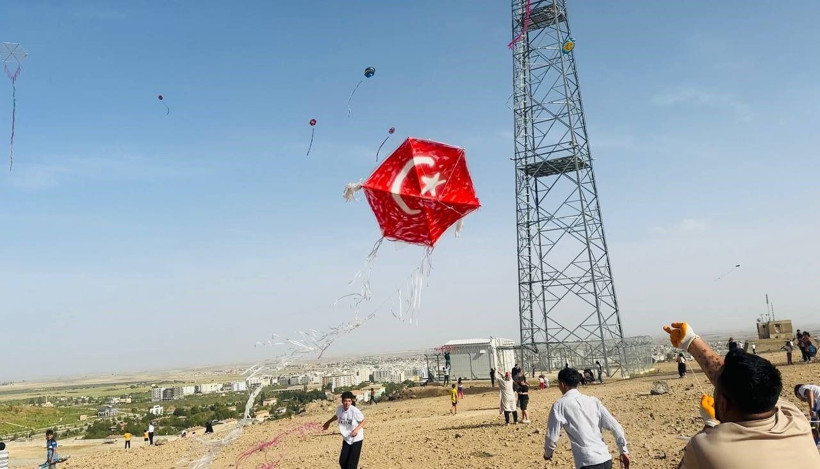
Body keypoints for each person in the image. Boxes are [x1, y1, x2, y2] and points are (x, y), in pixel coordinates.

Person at [662, 322, 820, 467]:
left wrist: (709, 425)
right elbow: (738, 380)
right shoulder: (796, 418)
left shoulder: (705, 448)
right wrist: (690, 341)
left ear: (723, 404)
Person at [543, 368, 630, 469]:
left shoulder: (559, 405)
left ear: (562, 384)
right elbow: (616, 427)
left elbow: (551, 436)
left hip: (586, 462)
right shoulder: (594, 401)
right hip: (605, 459)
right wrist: (624, 451)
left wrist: (548, 453)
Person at [323, 391, 365, 469]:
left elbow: (363, 421)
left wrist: (356, 430)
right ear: (342, 401)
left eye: (349, 401)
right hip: (347, 438)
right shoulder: (340, 409)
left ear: (351, 401)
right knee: (342, 461)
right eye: (345, 401)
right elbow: (336, 416)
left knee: (351, 464)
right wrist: (328, 422)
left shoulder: (354, 411)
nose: (347, 403)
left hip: (357, 439)